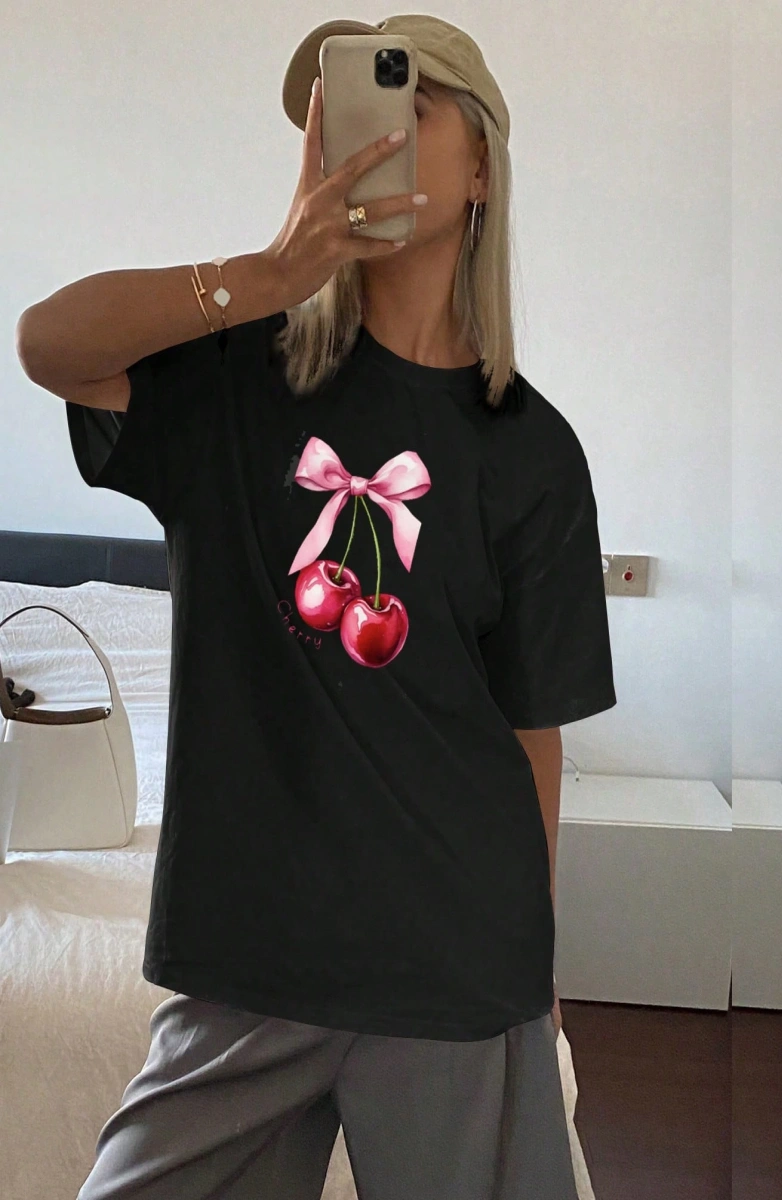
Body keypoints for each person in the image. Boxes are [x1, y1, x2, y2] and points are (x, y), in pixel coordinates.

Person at [16, 15, 616, 1200]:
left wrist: (532, 954)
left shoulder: (530, 450)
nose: (368, 133)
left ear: (480, 166)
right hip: (249, 954)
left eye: (409, 103)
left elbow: (528, 731)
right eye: (343, 112)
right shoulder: (233, 377)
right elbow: (48, 343)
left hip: (452, 958)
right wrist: (267, 274)